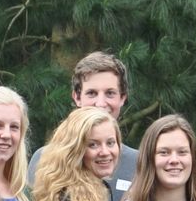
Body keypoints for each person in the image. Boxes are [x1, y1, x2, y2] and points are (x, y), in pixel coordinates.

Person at [28, 52, 140, 191]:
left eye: (110, 93)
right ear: (77, 97)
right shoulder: (44, 160)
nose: (100, 103)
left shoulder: (139, 163)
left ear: (122, 98)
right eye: (92, 93)